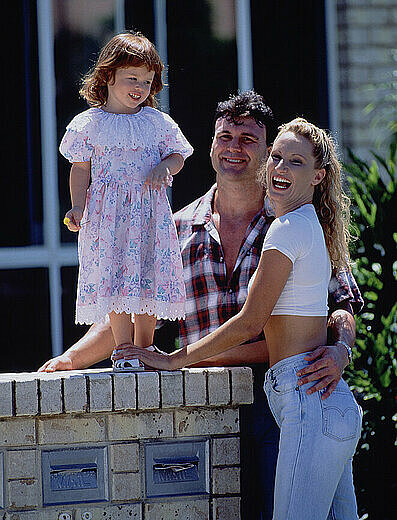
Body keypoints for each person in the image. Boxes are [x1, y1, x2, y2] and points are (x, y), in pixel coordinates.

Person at [40, 91, 362, 519]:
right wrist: (69, 359)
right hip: (205, 404)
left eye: (249, 139)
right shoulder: (175, 227)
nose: (234, 147)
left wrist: (341, 349)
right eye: (225, 135)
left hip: (282, 397)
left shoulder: (292, 219)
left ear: (269, 152)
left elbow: (342, 306)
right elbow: (129, 305)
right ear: (211, 145)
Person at [130, 116, 363, 520]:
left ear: (318, 176)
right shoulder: (313, 226)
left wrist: (174, 359)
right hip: (330, 404)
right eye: (276, 158)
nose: (280, 169)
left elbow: (250, 322)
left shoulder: (286, 229)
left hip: (306, 401)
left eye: (295, 162)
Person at [59, 31, 193, 371]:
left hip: (147, 215)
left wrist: (165, 166)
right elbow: (80, 169)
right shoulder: (90, 123)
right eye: (132, 78)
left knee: (147, 275)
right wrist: (77, 206)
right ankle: (123, 349)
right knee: (116, 278)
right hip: (108, 217)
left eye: (147, 81)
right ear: (108, 76)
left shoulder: (155, 122)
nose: (140, 87)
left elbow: (178, 154)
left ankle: (145, 349)